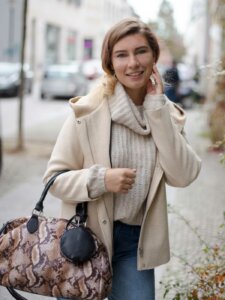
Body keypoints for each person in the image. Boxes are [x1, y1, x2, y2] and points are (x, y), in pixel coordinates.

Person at [43, 17, 201, 300]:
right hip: (83, 238)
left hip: (134, 243)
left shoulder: (168, 114)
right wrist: (100, 179)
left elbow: (184, 175)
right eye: (122, 55)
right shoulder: (87, 112)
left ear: (154, 55)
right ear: (110, 62)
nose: (133, 63)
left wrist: (156, 110)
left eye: (141, 51)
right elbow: (54, 180)